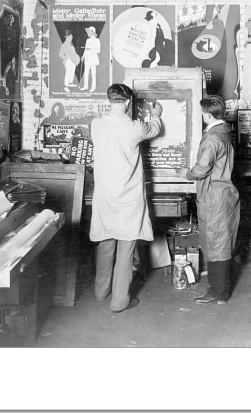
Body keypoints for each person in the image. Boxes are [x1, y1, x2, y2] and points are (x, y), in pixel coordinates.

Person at [89, 83, 163, 312]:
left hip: (105, 195)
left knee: (105, 242)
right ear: (128, 102)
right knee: (126, 248)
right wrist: (157, 115)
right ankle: (120, 301)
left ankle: (101, 291)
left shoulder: (97, 124)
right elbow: (154, 129)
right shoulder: (134, 127)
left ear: (109, 100)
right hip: (127, 197)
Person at [177, 95, 240, 305]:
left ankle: (219, 292)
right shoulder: (223, 131)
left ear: (207, 115)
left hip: (214, 196)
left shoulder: (213, 137)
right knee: (219, 241)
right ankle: (219, 289)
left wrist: (186, 173)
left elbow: (202, 168)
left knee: (216, 243)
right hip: (222, 193)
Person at [81, 26, 100, 92]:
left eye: (89, 32)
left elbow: (98, 50)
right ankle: (85, 86)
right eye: (87, 32)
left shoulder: (97, 40)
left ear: (92, 32)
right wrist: (83, 56)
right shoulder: (87, 40)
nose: (87, 33)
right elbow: (86, 49)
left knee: (93, 74)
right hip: (87, 58)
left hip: (93, 59)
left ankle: (93, 87)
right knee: (86, 73)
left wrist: (91, 49)